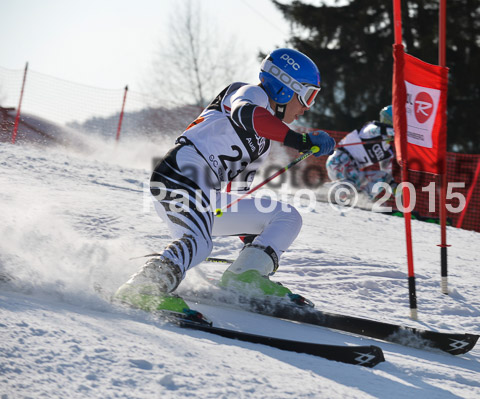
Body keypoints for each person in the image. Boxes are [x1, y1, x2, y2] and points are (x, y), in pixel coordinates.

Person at [115, 48, 336, 312]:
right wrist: (300, 140)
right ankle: (144, 287)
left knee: (286, 217)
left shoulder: (262, 144)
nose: (305, 109)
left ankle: (245, 277)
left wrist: (255, 240)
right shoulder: (248, 93)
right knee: (199, 244)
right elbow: (245, 114)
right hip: (181, 175)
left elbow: (237, 192)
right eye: (307, 96)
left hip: (208, 196)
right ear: (285, 89)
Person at [325, 105, 396, 199]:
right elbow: (375, 130)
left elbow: (386, 173)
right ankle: (323, 191)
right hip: (338, 161)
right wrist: (397, 132)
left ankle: (362, 199)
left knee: (385, 177)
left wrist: (397, 190)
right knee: (350, 185)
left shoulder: (388, 151)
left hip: (353, 171)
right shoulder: (373, 127)